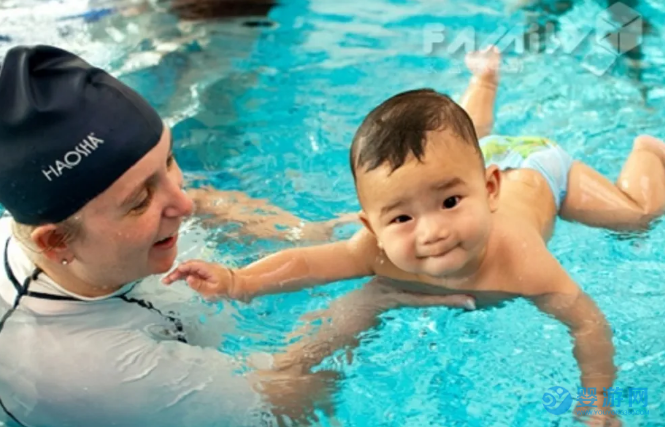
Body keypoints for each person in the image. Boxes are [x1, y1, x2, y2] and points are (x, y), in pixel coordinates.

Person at [164, 47, 665, 426]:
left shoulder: (523, 260)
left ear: (489, 190)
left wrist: (596, 398)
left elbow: (588, 324)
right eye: (401, 218)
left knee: (636, 216)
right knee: (463, 138)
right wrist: (238, 281)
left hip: (537, 170)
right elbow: (307, 264)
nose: (432, 231)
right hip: (473, 156)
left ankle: (650, 150)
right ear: (372, 228)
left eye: (451, 204)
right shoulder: (377, 251)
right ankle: (483, 81)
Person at [0, 44, 477, 427]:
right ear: (56, 243)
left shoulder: (100, 233)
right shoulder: (98, 376)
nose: (182, 204)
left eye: (168, 160)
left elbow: (204, 200)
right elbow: (291, 398)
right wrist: (378, 295)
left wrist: (309, 233)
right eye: (141, 200)